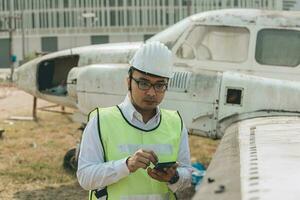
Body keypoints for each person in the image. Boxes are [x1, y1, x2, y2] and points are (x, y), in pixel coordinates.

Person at [77, 41, 192, 200]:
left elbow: (187, 176)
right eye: (144, 83)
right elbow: (85, 178)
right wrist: (126, 165)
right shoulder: (101, 121)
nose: (151, 93)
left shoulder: (175, 123)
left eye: (160, 85)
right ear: (128, 81)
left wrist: (174, 177)